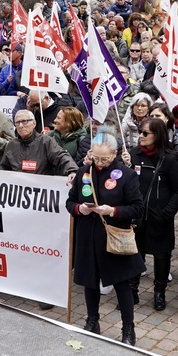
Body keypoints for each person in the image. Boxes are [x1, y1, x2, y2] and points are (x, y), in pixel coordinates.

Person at [67, 131, 143, 345]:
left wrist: (113, 211)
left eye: (105, 159)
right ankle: (92, 321)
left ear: (115, 154)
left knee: (121, 284)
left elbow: (137, 208)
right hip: (87, 237)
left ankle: (128, 328)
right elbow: (70, 202)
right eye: (96, 158)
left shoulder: (126, 175)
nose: (99, 163)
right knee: (89, 283)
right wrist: (79, 208)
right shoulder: (84, 172)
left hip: (113, 236)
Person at [130, 118, 178, 311]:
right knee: (135, 254)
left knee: (162, 256)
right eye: (140, 132)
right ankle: (132, 292)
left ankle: (159, 292)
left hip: (160, 218)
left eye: (146, 133)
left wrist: (167, 213)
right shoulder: (134, 155)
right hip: (137, 218)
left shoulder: (170, 159)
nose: (141, 136)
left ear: (157, 135)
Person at [0, 109, 78, 176]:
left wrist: (72, 171)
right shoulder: (11, 145)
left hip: (40, 190)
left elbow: (61, 157)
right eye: (17, 123)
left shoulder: (46, 142)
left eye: (24, 121)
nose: (20, 125)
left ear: (34, 123)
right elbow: (4, 169)